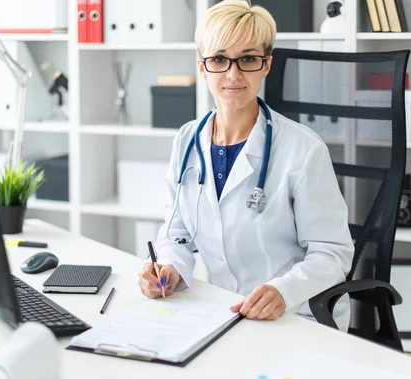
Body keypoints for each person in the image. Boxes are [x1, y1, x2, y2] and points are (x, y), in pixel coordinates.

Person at [137, 0, 354, 331]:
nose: (233, 74)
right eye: (220, 59)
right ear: (202, 66)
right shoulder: (186, 141)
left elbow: (333, 253)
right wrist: (169, 269)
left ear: (266, 64)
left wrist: (283, 291)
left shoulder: (304, 150)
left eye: (248, 59)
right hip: (223, 311)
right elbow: (176, 233)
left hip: (297, 317)